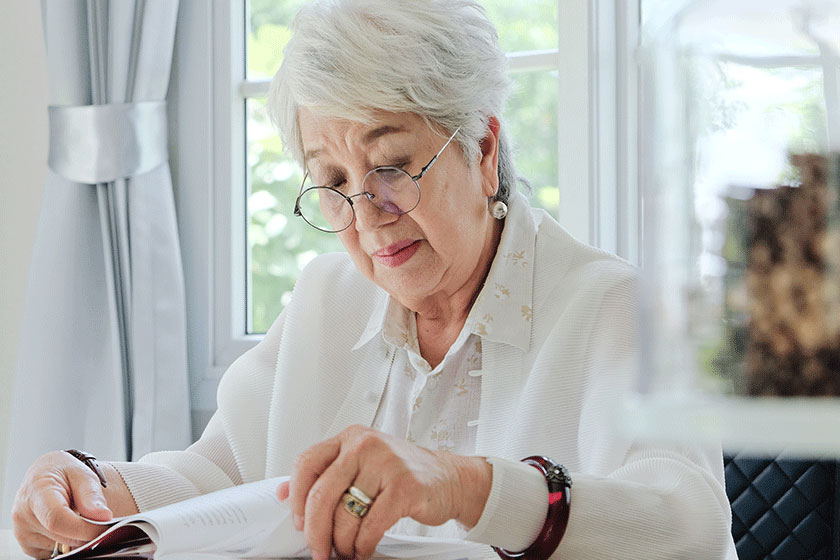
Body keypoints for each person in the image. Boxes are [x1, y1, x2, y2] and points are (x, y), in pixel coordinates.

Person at [12, 1, 737, 558]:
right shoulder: (326, 301)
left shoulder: (619, 310)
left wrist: (464, 483)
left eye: (392, 166)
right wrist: (93, 485)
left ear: (483, 150)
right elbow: (221, 474)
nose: (367, 216)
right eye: (332, 182)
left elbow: (689, 524)